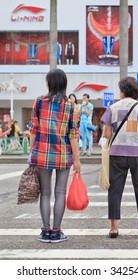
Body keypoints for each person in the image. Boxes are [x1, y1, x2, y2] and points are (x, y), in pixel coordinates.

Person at [28, 69, 81, 243]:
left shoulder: (39, 102)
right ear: (64, 85)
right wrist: (77, 159)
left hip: (42, 153)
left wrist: (31, 151)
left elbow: (34, 129)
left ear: (49, 84)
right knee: (60, 193)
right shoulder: (71, 105)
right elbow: (73, 134)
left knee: (45, 193)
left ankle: (45, 232)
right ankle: (57, 232)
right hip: (63, 155)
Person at [101, 76, 138, 238]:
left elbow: (107, 133)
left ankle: (114, 227)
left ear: (123, 91)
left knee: (115, 190)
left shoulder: (113, 108)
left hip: (117, 153)